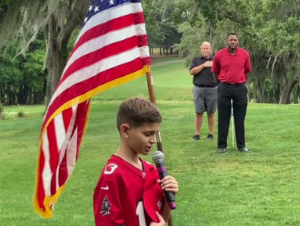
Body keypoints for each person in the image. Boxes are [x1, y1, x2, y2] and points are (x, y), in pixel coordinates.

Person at [93, 97, 179, 226]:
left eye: (156, 133)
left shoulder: (152, 170)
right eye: (148, 134)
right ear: (126, 131)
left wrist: (168, 197)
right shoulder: (112, 176)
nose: (154, 140)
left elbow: (160, 220)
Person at [211, 33, 252, 153]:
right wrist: (221, 83)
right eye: (231, 40)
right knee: (223, 117)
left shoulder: (244, 54)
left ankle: (241, 145)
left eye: (235, 40)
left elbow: (247, 71)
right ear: (227, 41)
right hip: (224, 87)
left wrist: (240, 81)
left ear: (238, 42)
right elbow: (215, 72)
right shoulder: (220, 54)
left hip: (240, 87)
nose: (233, 42)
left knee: (240, 118)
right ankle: (222, 146)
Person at [189, 41, 218, 141]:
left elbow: (221, 72)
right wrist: (203, 65)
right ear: (201, 49)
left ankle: (210, 134)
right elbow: (191, 72)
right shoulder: (196, 60)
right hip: (199, 89)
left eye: (207, 48)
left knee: (211, 112)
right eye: (203, 48)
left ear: (211, 49)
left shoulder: (215, 60)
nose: (205, 50)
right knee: (198, 112)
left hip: (212, 89)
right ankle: (197, 134)